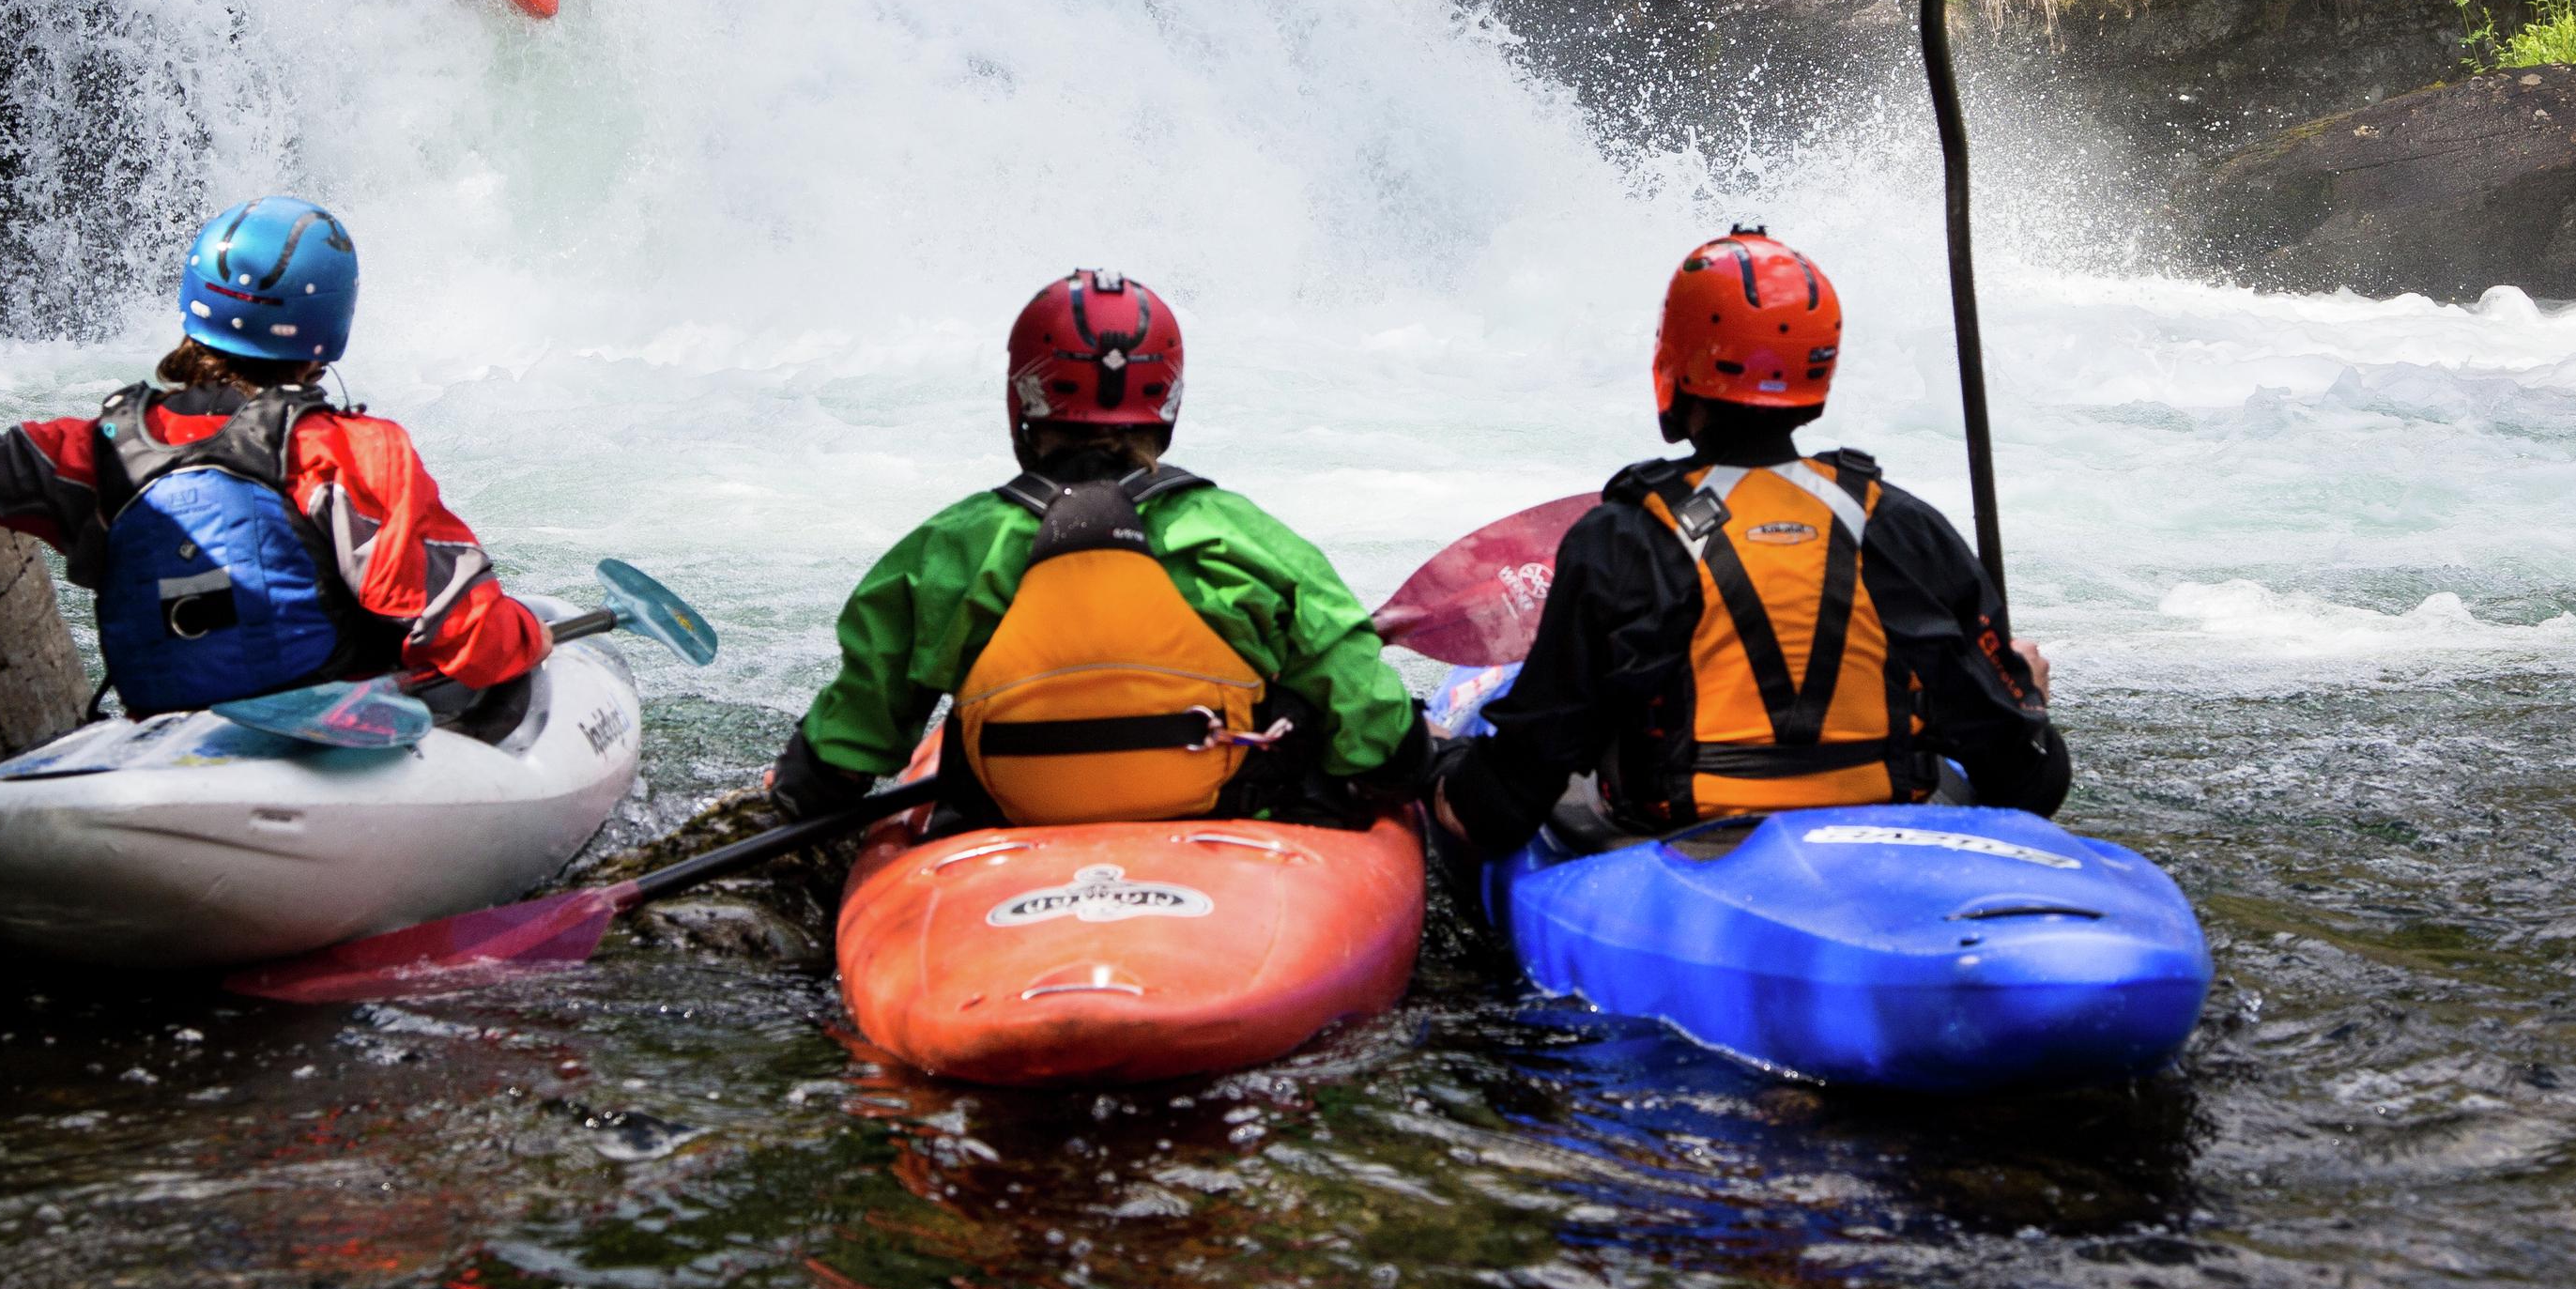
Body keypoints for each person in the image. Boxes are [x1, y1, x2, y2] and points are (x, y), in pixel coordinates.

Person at [1434, 226, 2064, 858]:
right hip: (1885, 837)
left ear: (1675, 362)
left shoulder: (1623, 540)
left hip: (1679, 849)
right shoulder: (1903, 527)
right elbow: (2031, 782)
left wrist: (1436, 762)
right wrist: (2026, 696)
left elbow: (1510, 794)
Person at [768, 269, 1434, 829]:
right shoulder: (1242, 536)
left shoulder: (949, 549)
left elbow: (853, 742)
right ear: (1166, 401)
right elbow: (1366, 719)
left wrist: (801, 789)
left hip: (1010, 822)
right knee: (1302, 704)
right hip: (1227, 815)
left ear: (1024, 397)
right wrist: (1410, 763)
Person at [0, 196, 549, 724]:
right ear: (327, 331)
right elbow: (455, 630)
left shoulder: (101, 449)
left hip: (164, 725)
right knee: (510, 674)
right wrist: (529, 638)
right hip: (333, 730)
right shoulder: (353, 451)